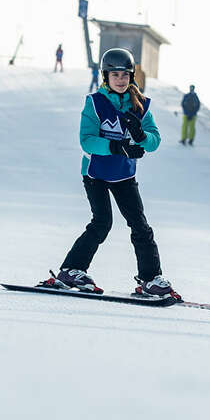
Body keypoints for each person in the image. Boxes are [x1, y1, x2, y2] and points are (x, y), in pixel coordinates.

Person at [46, 48, 181, 300]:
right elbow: (86, 140)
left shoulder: (140, 106)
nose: (120, 79)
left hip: (124, 176)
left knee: (140, 225)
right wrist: (115, 146)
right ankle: (71, 270)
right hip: (96, 173)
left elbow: (155, 141)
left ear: (131, 76)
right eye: (115, 74)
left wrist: (142, 136)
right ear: (105, 76)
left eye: (125, 74)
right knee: (102, 222)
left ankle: (150, 279)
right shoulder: (95, 103)